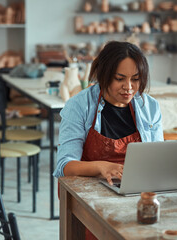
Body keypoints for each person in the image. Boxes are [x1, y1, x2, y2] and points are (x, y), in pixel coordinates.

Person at [53, 41, 164, 184]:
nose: (128, 87)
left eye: (135, 79)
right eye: (119, 79)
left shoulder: (150, 107)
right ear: (104, 75)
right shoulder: (79, 106)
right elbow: (65, 166)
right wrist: (101, 167)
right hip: (88, 188)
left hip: (135, 185)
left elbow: (158, 159)